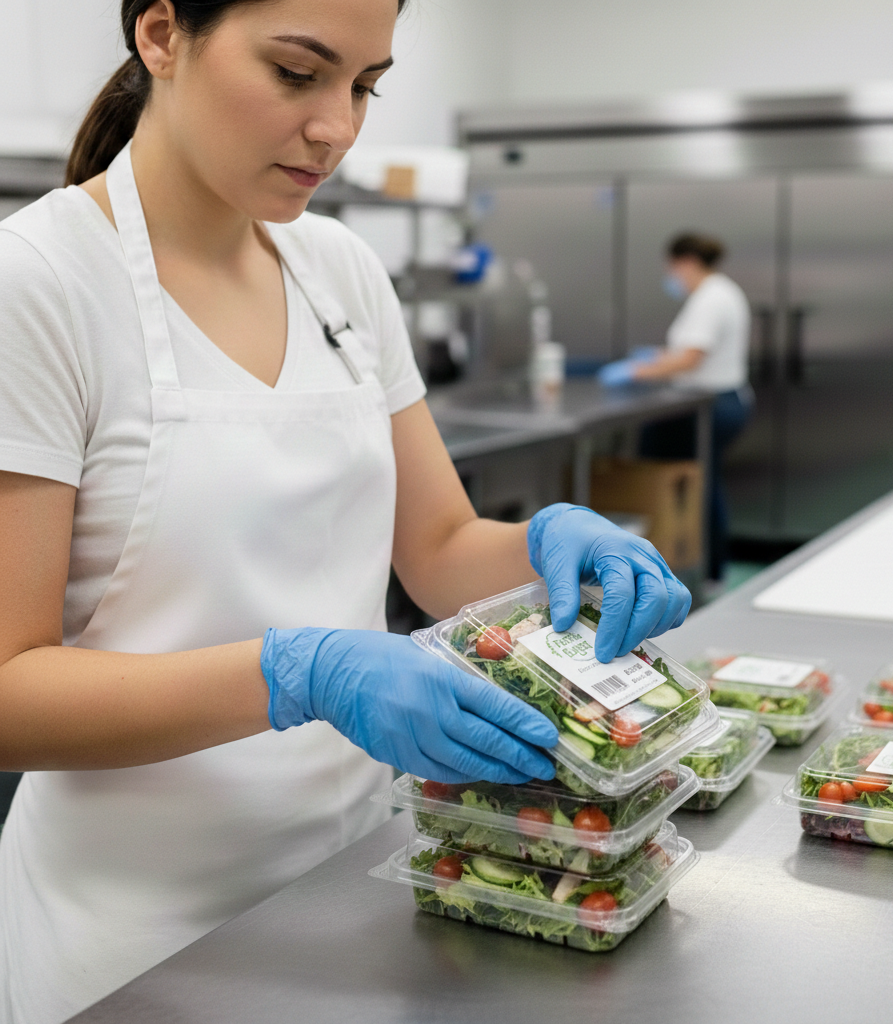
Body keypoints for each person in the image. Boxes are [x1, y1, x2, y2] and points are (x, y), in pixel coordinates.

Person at [0, 2, 692, 1021]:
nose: (338, 128)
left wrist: (550, 546)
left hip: (362, 881)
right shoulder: (40, 283)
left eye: (364, 85)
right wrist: (294, 673)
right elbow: (11, 691)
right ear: (160, 36)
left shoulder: (339, 273)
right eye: (296, 73)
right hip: (136, 942)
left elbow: (441, 548)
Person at [599, 232, 753, 586]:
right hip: (723, 400)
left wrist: (637, 371)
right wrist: (657, 357)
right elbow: (691, 351)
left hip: (710, 405)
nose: (671, 276)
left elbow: (691, 357)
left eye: (672, 268)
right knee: (703, 481)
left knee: (700, 483)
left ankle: (705, 568)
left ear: (686, 262)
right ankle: (706, 566)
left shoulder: (711, 298)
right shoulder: (719, 292)